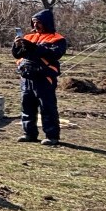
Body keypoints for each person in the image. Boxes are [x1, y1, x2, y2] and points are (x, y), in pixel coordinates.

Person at [13, 8, 67, 147]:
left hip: (44, 77)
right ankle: (29, 134)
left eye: (38, 23)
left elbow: (54, 54)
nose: (36, 25)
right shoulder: (28, 37)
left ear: (46, 23)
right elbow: (18, 55)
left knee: (47, 108)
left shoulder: (57, 39)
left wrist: (33, 47)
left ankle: (52, 136)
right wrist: (16, 45)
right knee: (27, 107)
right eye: (34, 22)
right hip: (26, 78)